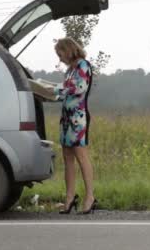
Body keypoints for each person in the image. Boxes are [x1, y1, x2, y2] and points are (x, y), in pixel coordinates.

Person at [51, 37, 98, 214]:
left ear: (68, 50)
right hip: (65, 119)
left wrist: (55, 90)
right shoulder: (69, 70)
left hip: (78, 119)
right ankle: (69, 198)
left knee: (81, 157)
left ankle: (90, 197)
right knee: (67, 159)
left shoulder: (83, 66)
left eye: (60, 54)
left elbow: (79, 89)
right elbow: (64, 94)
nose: (59, 58)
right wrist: (48, 93)